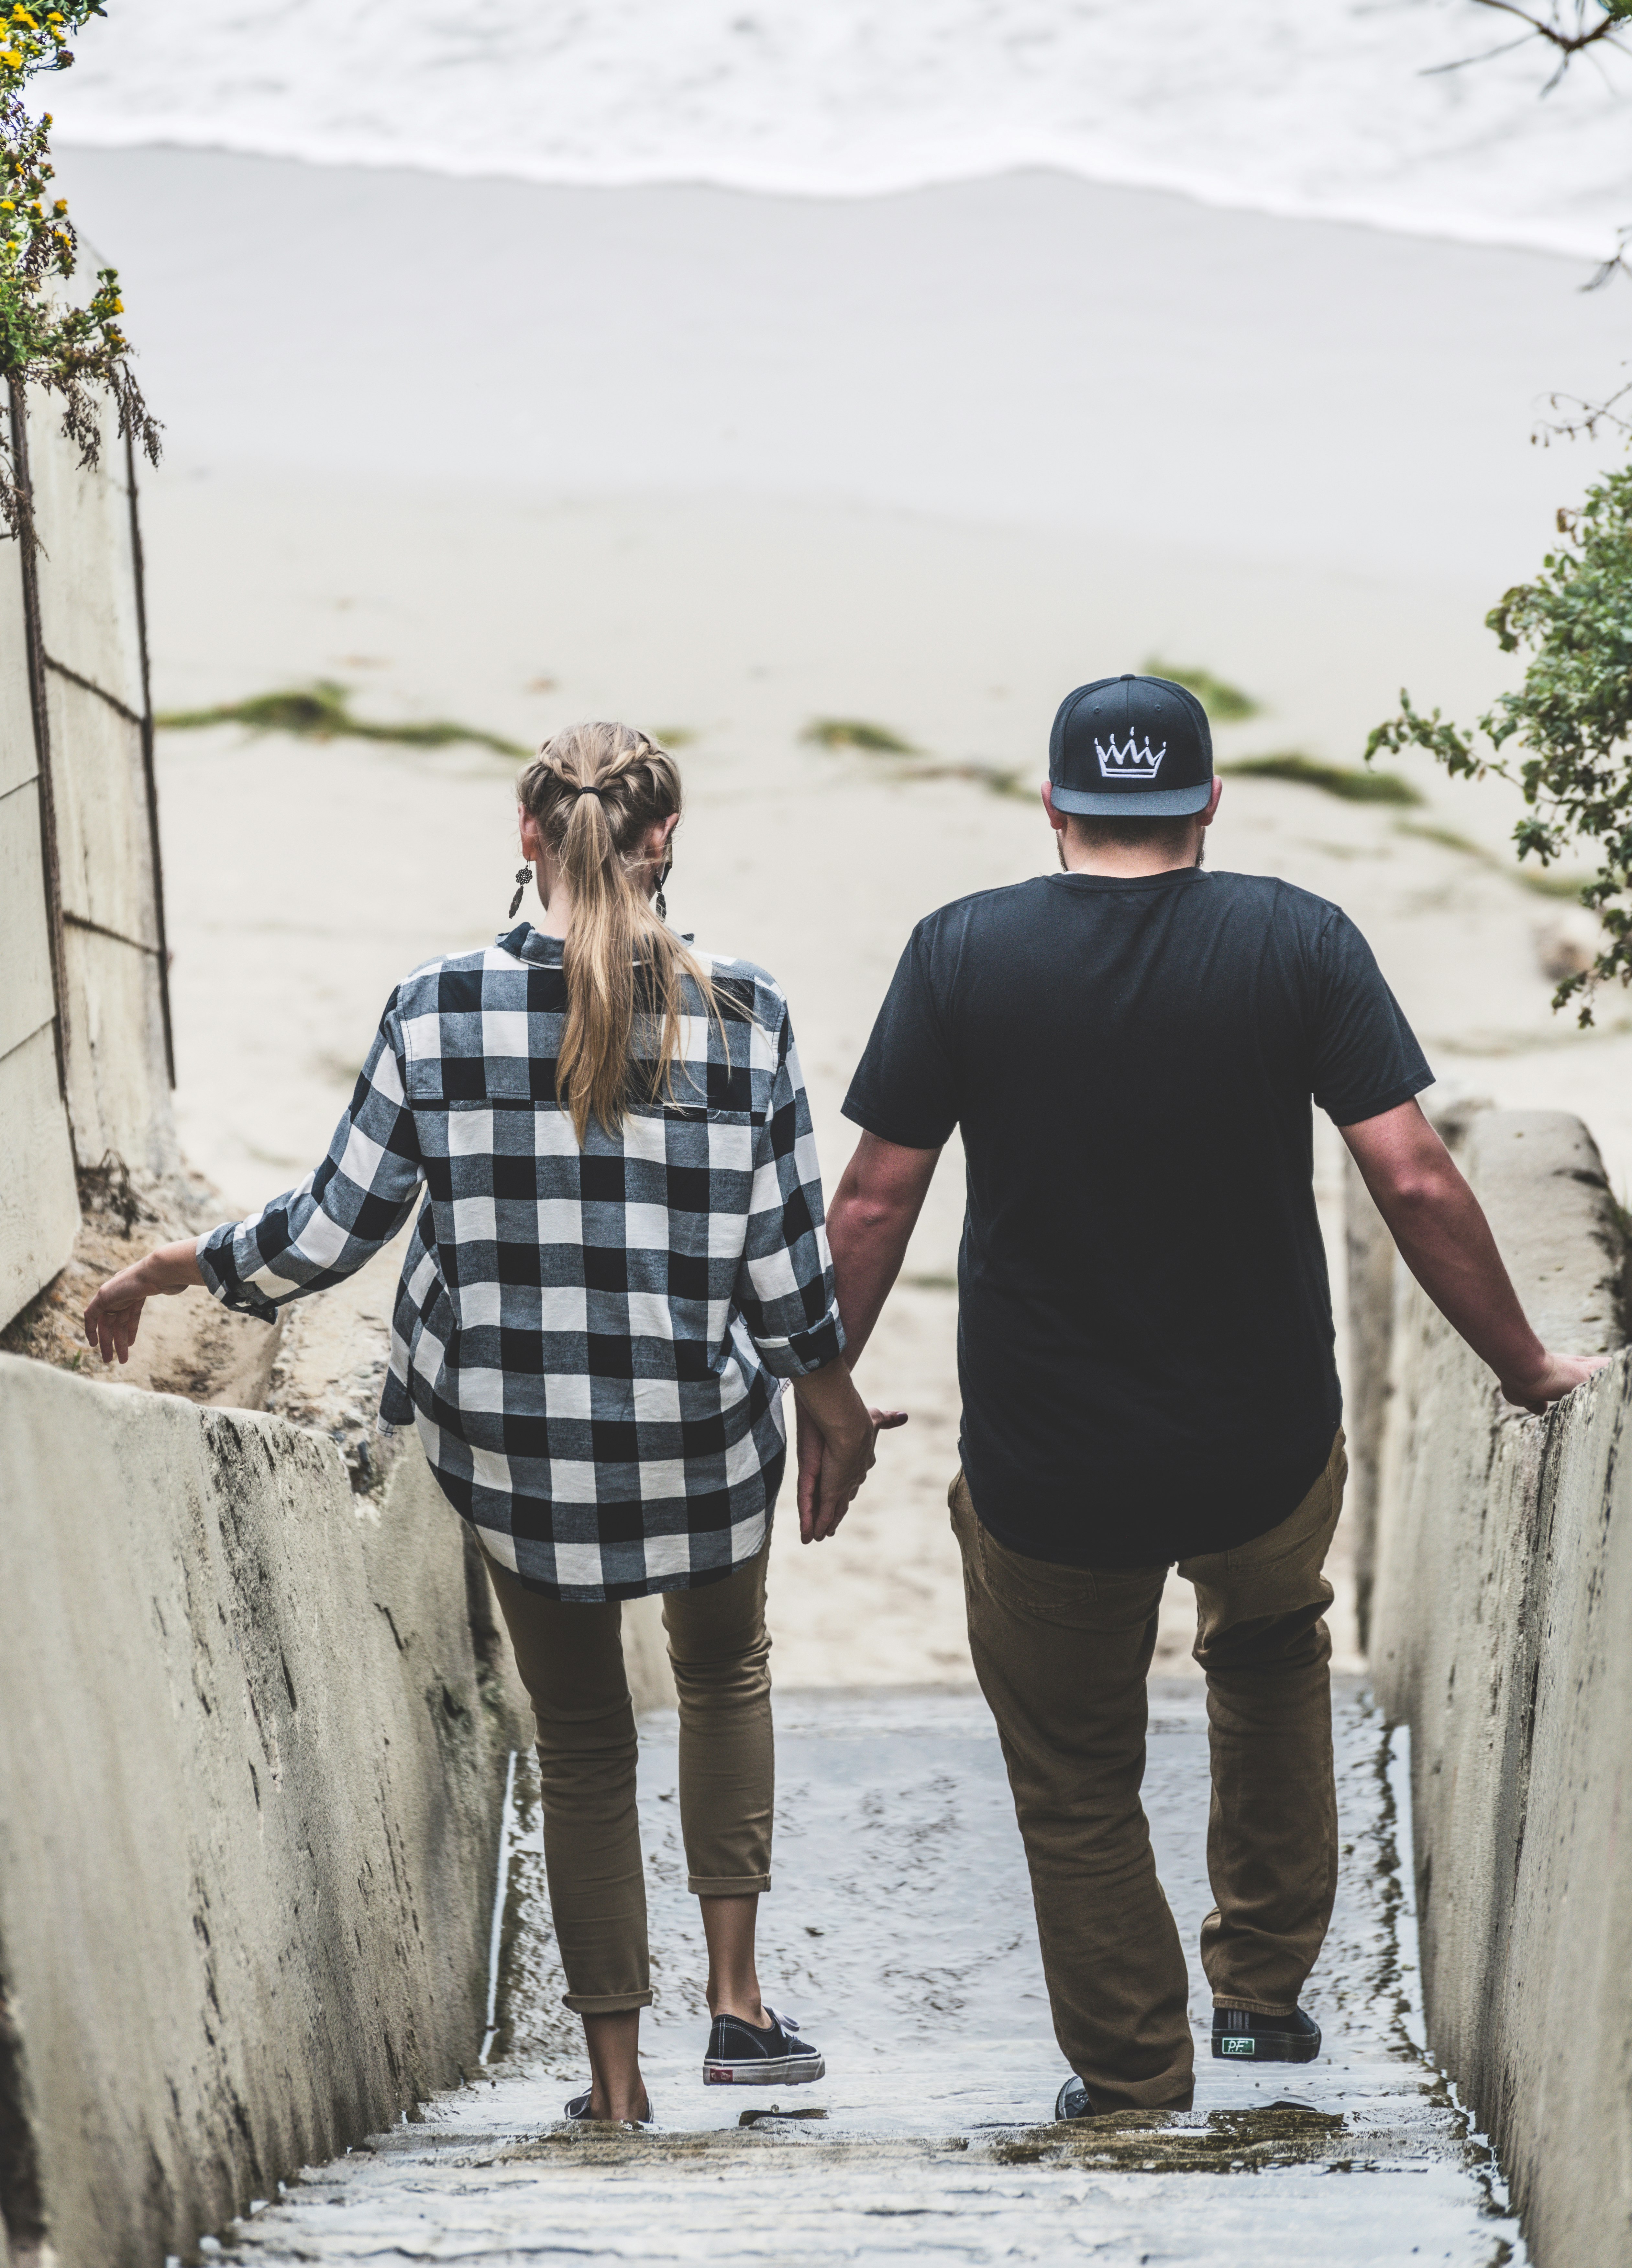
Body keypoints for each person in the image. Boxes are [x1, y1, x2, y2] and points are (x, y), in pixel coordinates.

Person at [812, 671, 1605, 2121]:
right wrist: (1529, 1364)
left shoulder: (960, 953)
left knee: (1075, 1770)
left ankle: (1131, 2077)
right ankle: (1261, 1993)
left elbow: (872, 1202)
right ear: (1208, 803)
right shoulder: (1297, 940)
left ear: (1053, 805)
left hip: (1050, 1465)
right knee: (1268, 1658)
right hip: (1261, 1440)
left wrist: (828, 1387)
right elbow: (1415, 1173)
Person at [84, 720, 901, 2127]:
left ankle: (616, 2084)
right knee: (725, 1675)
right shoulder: (746, 1009)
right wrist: (830, 1398)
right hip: (700, 1441)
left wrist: (184, 1263)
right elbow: (784, 1275)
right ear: (666, 843)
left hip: (518, 1455)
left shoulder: (435, 1006)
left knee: (583, 1741)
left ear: (527, 839)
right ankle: (740, 2005)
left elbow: (335, 1232)